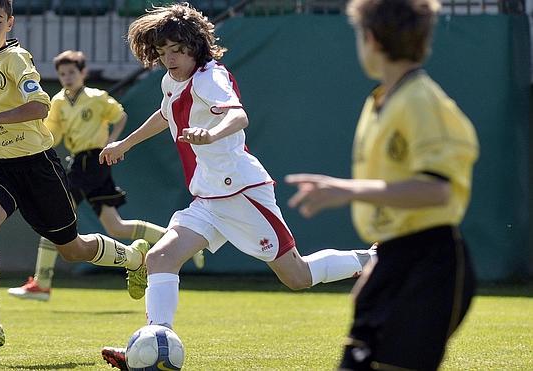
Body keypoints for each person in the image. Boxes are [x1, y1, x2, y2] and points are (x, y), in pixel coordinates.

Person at [98, 3, 376, 368]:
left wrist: (210, 132)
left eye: (177, 50)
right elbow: (165, 112)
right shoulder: (173, 80)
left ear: (195, 46)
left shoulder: (211, 78)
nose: (169, 58)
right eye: (163, 52)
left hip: (241, 193)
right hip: (207, 198)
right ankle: (152, 345)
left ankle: (373, 260)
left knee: (298, 276)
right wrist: (125, 143)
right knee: (160, 257)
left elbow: (238, 114)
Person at [0, 0, 151, 350]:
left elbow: (40, 106)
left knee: (73, 249)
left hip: (37, 166)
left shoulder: (18, 58)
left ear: (10, 23)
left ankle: (136, 258)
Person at [286, 0, 479, 369]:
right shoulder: (381, 100)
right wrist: (382, 259)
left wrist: (345, 191)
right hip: (393, 258)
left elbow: (437, 190)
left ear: (370, 39)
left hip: (431, 263)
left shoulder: (423, 102)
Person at [7, 50, 204, 302]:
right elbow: (51, 135)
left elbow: (120, 115)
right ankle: (185, 242)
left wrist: (113, 141)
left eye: (72, 72)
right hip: (81, 161)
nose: (67, 77)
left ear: (83, 73)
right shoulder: (56, 102)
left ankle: (42, 284)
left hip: (93, 161)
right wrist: (30, 137)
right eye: (62, 73)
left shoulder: (96, 97)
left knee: (53, 216)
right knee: (116, 226)